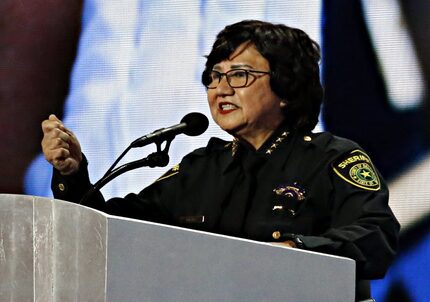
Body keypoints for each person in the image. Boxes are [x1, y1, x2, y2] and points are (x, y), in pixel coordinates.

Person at [41, 20, 399, 300]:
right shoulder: (201, 168)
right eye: (214, 77)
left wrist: (296, 252)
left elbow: (375, 235)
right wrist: (72, 176)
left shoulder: (332, 159)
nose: (221, 89)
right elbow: (112, 232)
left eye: (239, 75)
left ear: (286, 88)